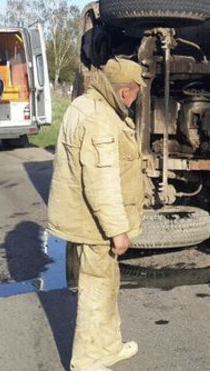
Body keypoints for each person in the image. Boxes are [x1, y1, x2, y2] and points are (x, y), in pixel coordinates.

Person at [47, 57, 146, 371]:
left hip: (88, 219)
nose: (136, 98)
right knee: (97, 289)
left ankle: (108, 348)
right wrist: (117, 229)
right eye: (136, 92)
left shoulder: (84, 104)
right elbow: (101, 181)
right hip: (94, 224)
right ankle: (87, 361)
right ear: (125, 91)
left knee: (106, 285)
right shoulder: (100, 118)